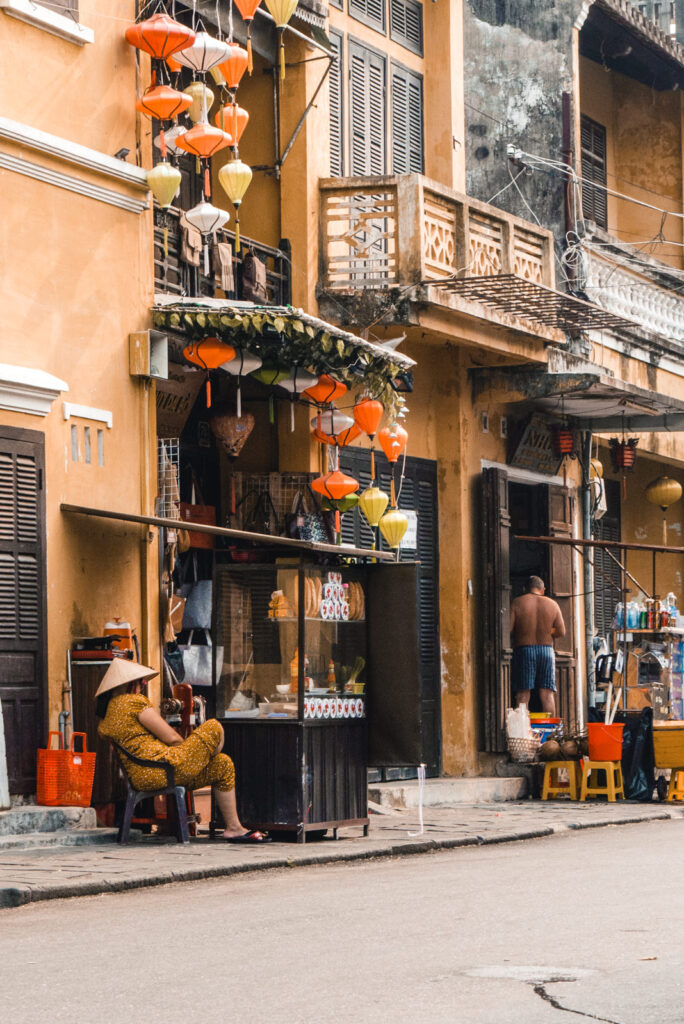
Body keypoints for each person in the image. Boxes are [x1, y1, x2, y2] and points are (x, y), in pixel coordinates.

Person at [95, 658, 270, 843]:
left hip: (143, 775)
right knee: (214, 726)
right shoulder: (132, 701)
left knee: (222, 764)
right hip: (165, 769)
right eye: (142, 682)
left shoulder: (108, 714)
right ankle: (232, 822)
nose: (143, 686)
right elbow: (172, 738)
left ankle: (234, 828)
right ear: (131, 684)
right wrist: (191, 751)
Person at [510, 575, 566, 716]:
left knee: (523, 694)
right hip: (546, 651)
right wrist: (546, 630)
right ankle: (551, 734)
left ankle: (522, 734)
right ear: (543, 590)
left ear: (524, 588)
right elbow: (561, 631)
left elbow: (508, 630)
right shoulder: (552, 604)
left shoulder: (517, 603)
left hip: (524, 650)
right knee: (547, 694)